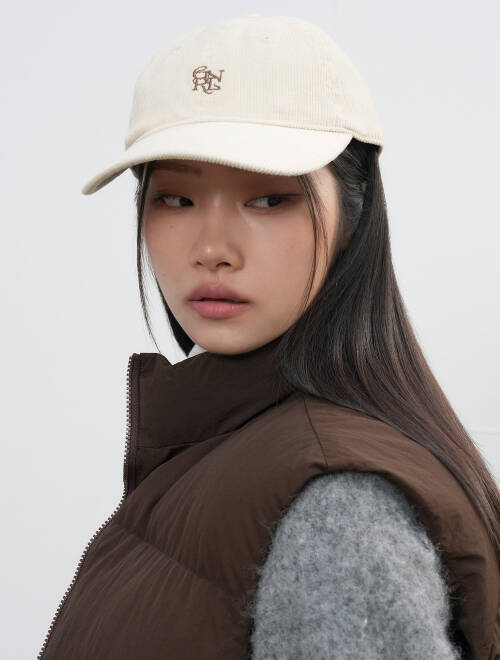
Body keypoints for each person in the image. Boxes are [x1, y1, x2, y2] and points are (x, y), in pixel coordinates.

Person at [37, 13, 500, 660]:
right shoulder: (224, 451)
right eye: (175, 199)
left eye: (269, 199)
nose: (212, 249)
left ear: (355, 214)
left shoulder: (339, 510)